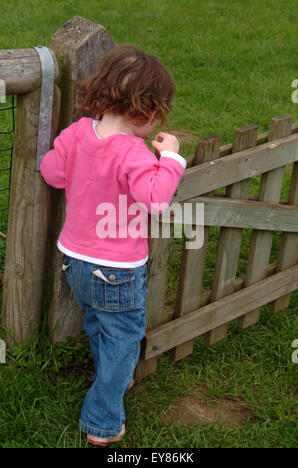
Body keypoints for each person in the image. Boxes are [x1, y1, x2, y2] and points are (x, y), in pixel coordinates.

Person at [40, 44, 187, 447]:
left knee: (98, 324)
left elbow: (52, 173)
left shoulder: (76, 134)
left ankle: (114, 376)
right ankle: (102, 422)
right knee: (124, 336)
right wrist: (171, 159)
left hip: (75, 262)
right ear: (145, 114)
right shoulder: (132, 153)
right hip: (117, 269)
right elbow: (155, 198)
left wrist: (64, 158)